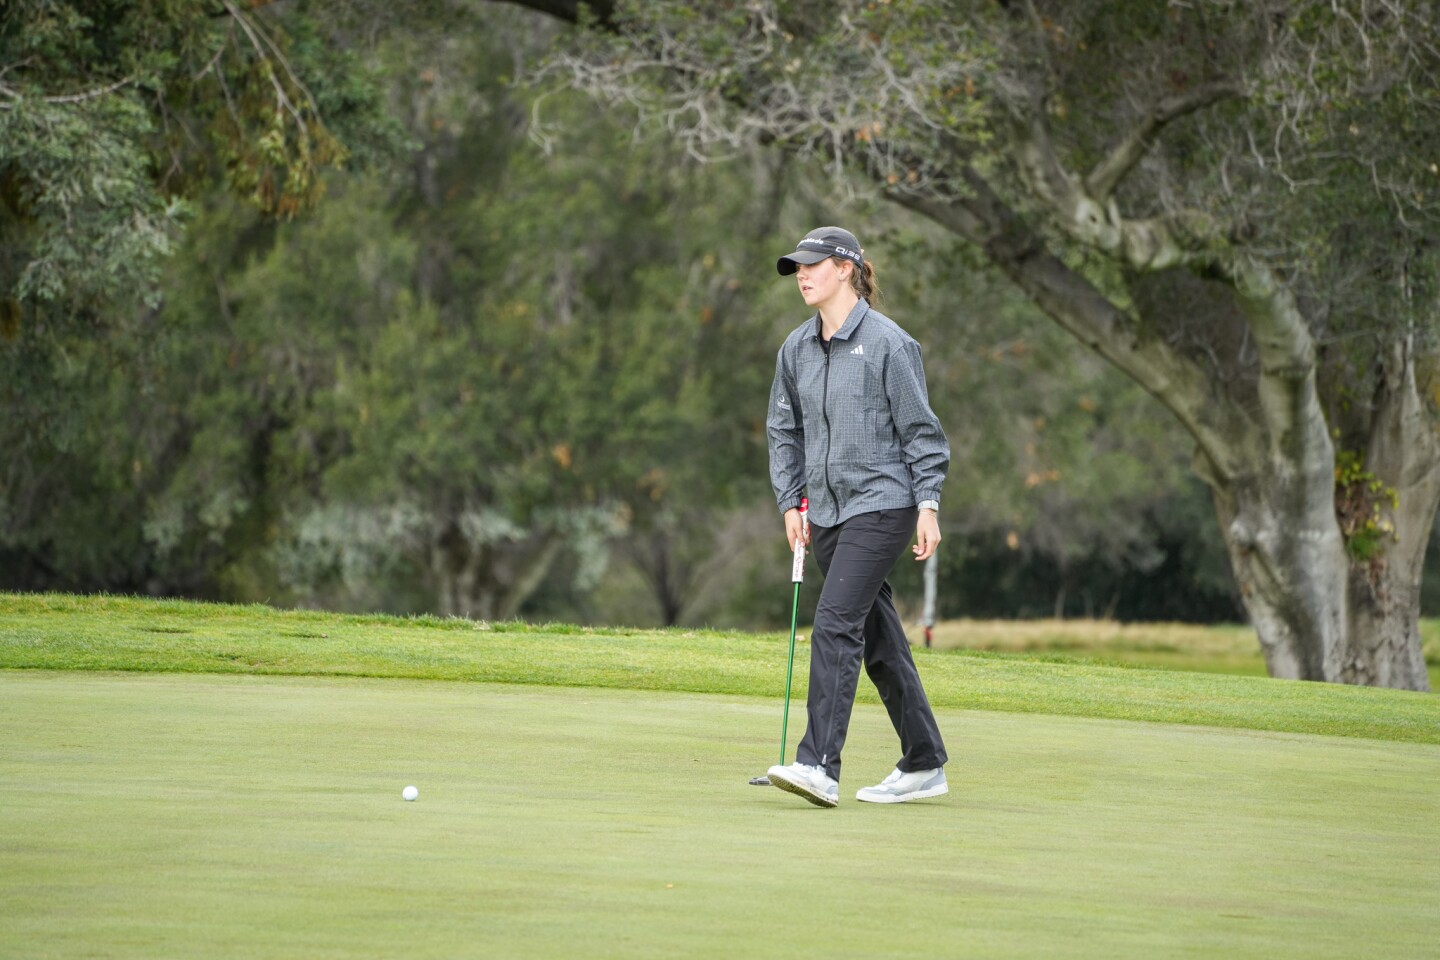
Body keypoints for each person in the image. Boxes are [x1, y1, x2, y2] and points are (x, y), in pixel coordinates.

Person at [764, 225, 951, 808]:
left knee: (836, 621)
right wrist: (792, 500)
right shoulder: (795, 348)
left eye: (813, 266)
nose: (803, 275)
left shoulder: (892, 344)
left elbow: (922, 433)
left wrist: (927, 504)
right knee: (878, 639)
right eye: (797, 268)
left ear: (846, 269)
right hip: (824, 513)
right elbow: (782, 430)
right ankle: (924, 762)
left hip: (885, 503)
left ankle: (817, 764)